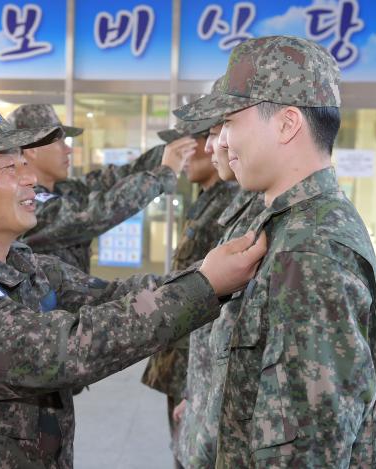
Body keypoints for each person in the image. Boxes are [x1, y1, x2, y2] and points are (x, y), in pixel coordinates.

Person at [0, 97, 268, 468]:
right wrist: (203, 286)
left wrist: (210, 274)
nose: (30, 178)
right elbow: (66, 350)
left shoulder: (22, 264)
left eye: (24, 163)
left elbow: (114, 295)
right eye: (8, 168)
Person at [175, 35, 376, 467]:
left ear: (286, 124)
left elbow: (310, 448)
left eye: (230, 122)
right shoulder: (285, 220)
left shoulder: (311, 252)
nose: (221, 141)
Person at [140, 110, 239, 468]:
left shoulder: (229, 201)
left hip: (196, 363)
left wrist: (200, 388)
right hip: (185, 357)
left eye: (188, 146)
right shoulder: (207, 197)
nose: (183, 158)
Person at [6, 103, 197, 273]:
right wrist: (163, 174)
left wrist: (170, 150)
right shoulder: (25, 202)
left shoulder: (63, 189)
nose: (69, 149)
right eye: (61, 142)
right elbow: (93, 213)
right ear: (32, 150)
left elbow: (116, 177)